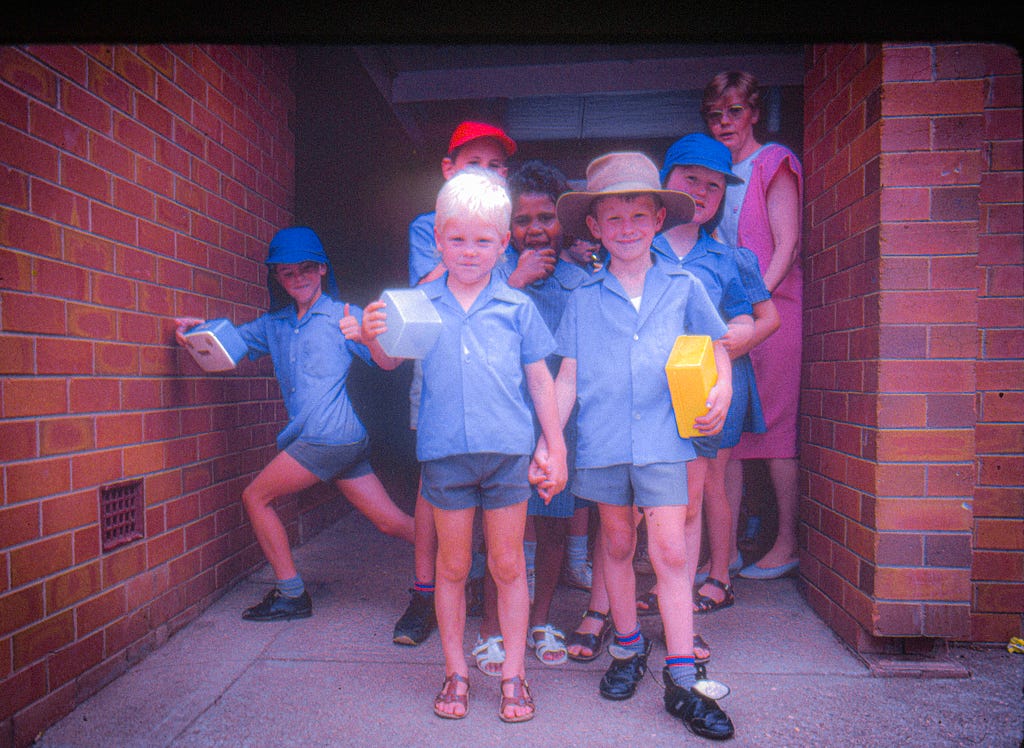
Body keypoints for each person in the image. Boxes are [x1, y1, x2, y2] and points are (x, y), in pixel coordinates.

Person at [355, 168, 567, 723]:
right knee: (451, 566)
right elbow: (387, 361)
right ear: (439, 240)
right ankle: (456, 671)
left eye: (483, 241)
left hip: (507, 455)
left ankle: (514, 674)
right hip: (445, 454)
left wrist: (555, 445)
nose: (469, 251)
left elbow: (541, 380)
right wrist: (374, 333)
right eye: (457, 239)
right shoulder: (420, 302)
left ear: (504, 243)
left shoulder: (518, 307)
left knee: (506, 564)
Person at [539, 152, 735, 740]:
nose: (627, 228)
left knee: (671, 551)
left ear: (657, 220)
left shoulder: (683, 284)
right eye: (613, 218)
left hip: (665, 438)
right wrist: (551, 442)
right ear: (595, 227)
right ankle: (627, 649)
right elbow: (567, 376)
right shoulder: (582, 297)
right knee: (617, 543)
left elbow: (717, 346)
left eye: (639, 216)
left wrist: (722, 389)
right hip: (601, 443)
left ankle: (682, 675)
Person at [173, 227, 415, 622]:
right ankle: (468, 567)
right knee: (389, 521)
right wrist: (195, 334)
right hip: (340, 442)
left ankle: (291, 595)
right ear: (278, 278)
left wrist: (369, 339)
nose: (298, 277)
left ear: (322, 269)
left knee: (256, 497)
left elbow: (390, 362)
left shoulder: (343, 315)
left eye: (306, 268)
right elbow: (228, 346)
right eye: (287, 272)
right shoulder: (275, 324)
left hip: (328, 437)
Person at [638, 134, 779, 627]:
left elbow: (766, 319)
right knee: (659, 480)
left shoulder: (729, 258)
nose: (701, 191)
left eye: (714, 186)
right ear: (665, 184)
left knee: (710, 481)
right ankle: (667, 577)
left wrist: (728, 344)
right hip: (654, 383)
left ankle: (718, 575)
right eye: (690, 179)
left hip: (711, 383)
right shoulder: (641, 247)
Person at [393, 121, 518, 647]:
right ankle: (428, 592)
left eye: (495, 166)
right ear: (448, 170)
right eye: (473, 164)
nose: (485, 174)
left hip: (494, 382)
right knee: (435, 486)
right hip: (441, 370)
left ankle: (491, 597)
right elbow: (428, 285)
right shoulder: (429, 225)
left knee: (499, 490)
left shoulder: (507, 227)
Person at [471, 160, 591, 671]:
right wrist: (513, 283)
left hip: (561, 422)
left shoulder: (580, 281)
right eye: (523, 220)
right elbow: (473, 336)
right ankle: (494, 627)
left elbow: (575, 363)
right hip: (505, 420)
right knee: (506, 529)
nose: (536, 229)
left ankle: (541, 618)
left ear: (563, 222)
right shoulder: (491, 276)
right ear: (506, 228)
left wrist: (554, 434)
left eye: (546, 217)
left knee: (553, 524)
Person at [703, 71, 804, 580]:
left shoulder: (773, 162)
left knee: (778, 431)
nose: (725, 122)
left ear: (755, 113)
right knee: (731, 434)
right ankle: (727, 551)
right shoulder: (714, 171)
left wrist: (755, 302)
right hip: (733, 319)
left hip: (775, 312)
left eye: (735, 111)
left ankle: (787, 543)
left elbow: (786, 243)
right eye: (716, 114)